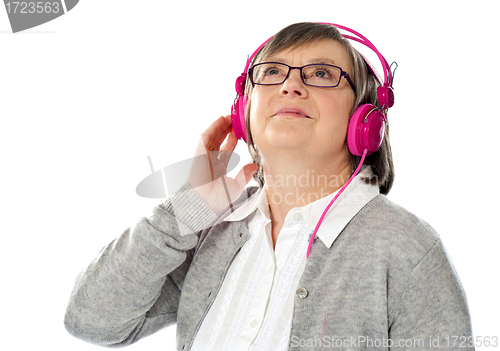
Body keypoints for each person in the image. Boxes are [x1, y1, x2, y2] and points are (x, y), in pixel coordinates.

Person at [64, 22, 474, 350]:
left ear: (364, 122)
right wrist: (183, 213)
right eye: (272, 71)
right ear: (244, 114)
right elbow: (93, 322)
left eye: (322, 74)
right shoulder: (212, 231)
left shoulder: (407, 248)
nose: (290, 86)